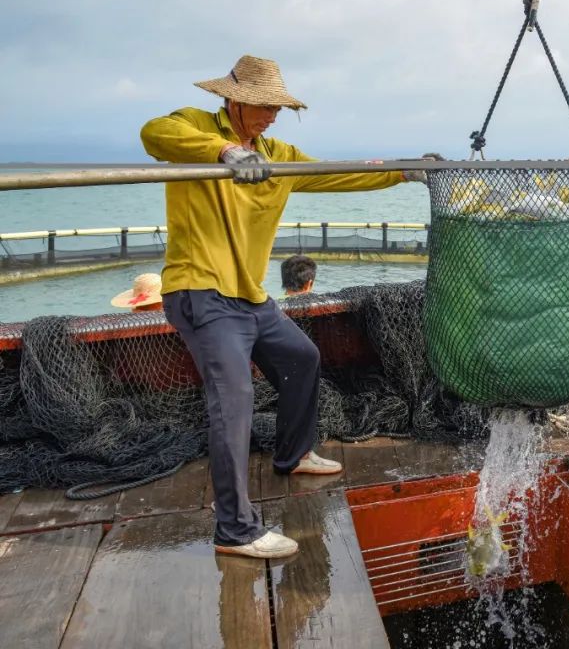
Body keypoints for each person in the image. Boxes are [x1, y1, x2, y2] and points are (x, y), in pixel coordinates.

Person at [140, 54, 431, 558]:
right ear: (233, 99)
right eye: (263, 106)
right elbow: (153, 133)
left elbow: (335, 175)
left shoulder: (278, 152)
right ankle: (235, 530)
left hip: (251, 298)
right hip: (200, 291)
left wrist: (405, 173)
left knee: (302, 358)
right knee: (232, 402)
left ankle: (293, 455)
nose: (271, 115)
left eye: (277, 107)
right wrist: (226, 152)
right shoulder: (191, 127)